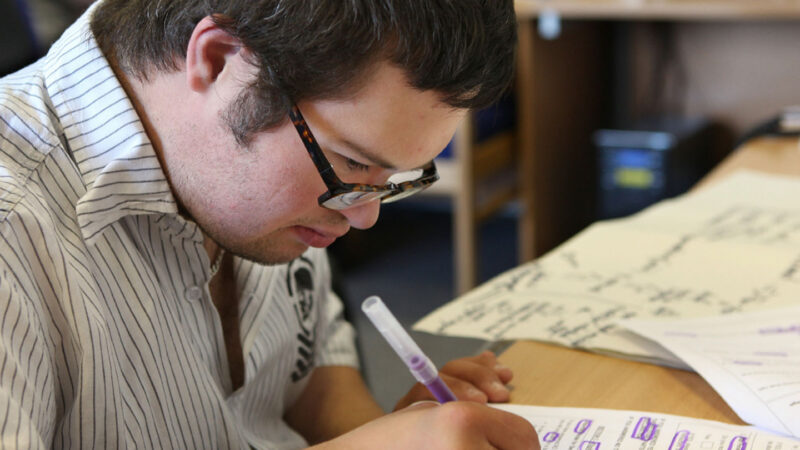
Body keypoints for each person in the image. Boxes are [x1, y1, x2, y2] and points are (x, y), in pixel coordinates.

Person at [0, 0, 540, 448]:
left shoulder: (264, 182)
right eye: (353, 162)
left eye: (395, 175)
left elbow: (306, 372)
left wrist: (394, 432)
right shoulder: (15, 228)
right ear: (216, 59)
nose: (364, 214)